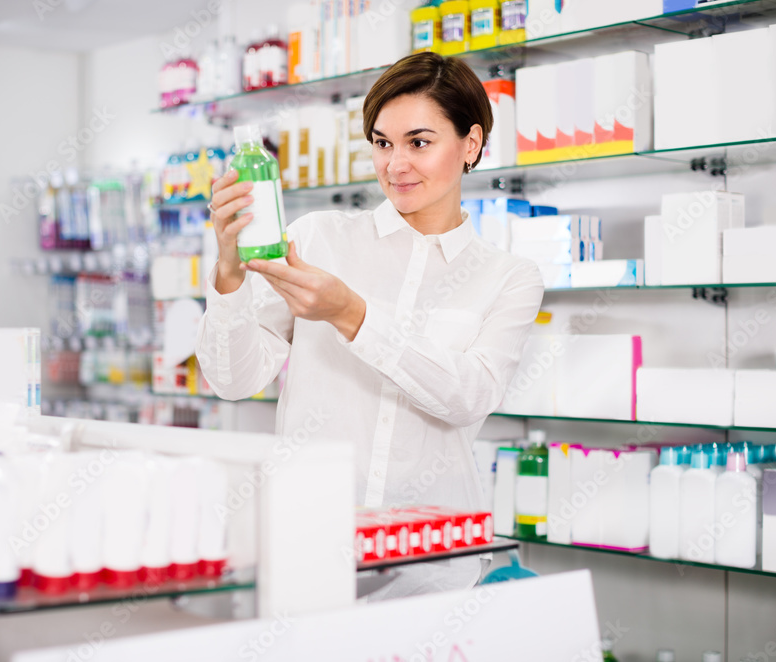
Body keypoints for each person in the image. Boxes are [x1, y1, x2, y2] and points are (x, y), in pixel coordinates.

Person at [195, 52, 544, 597]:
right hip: (311, 541)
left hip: (435, 561)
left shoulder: (508, 277)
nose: (395, 164)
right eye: (383, 143)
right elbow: (233, 380)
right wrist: (229, 272)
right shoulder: (317, 240)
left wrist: (351, 315)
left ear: (471, 144)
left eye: (419, 142)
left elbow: (467, 396)